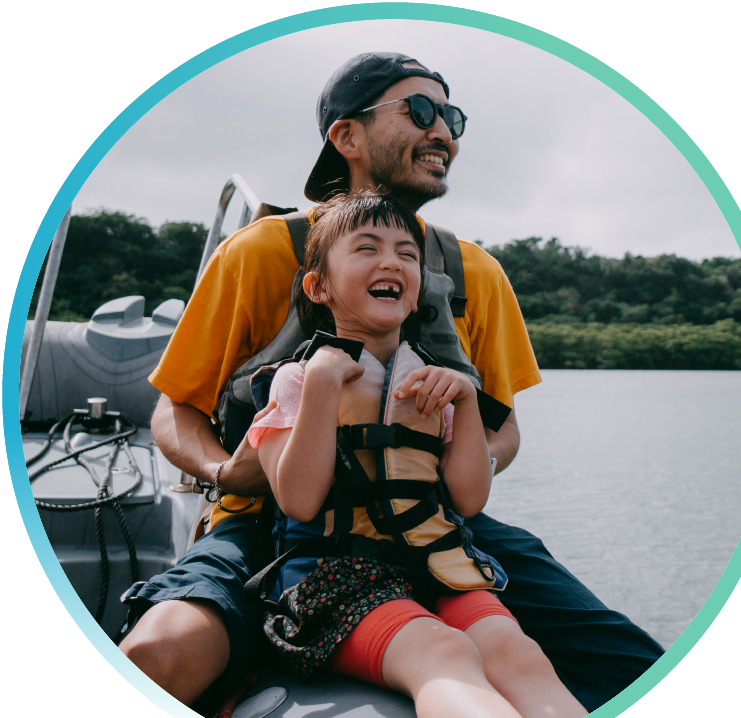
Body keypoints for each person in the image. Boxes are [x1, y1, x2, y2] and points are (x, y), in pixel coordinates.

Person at [118, 52, 663, 714]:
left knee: (634, 666)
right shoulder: (262, 252)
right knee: (162, 653)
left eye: (453, 117)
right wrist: (229, 473)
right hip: (269, 520)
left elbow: (504, 425)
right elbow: (176, 410)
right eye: (422, 111)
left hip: (433, 519)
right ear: (345, 136)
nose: (445, 133)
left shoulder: (476, 272)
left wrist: (448, 459)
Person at [244, 190, 587, 718]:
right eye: (367, 248)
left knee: (519, 654)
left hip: (437, 568)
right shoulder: (296, 379)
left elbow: (468, 500)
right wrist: (320, 384)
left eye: (407, 253)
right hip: (334, 582)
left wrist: (467, 400)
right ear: (319, 287)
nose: (392, 261)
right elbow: (299, 502)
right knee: (442, 650)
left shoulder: (433, 383)